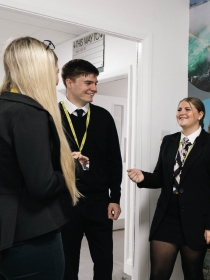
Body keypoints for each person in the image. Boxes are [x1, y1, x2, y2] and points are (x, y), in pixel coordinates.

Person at [0, 37, 85, 279]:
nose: (56, 80)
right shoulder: (30, 113)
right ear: (38, 71)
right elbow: (42, 186)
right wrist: (73, 167)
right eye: (55, 72)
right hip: (30, 237)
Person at [127, 97, 210, 280]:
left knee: (192, 274)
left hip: (196, 220)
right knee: (158, 274)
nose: (182, 112)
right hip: (167, 217)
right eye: (179, 109)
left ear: (200, 114)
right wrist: (143, 177)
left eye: (188, 109)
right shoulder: (168, 141)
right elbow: (160, 177)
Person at [59, 59, 123, 280]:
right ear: (69, 82)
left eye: (95, 83)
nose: (94, 88)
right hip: (65, 201)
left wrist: (115, 197)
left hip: (99, 202)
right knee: (67, 264)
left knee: (104, 261)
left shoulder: (104, 117)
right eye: (88, 82)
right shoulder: (51, 116)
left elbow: (114, 160)